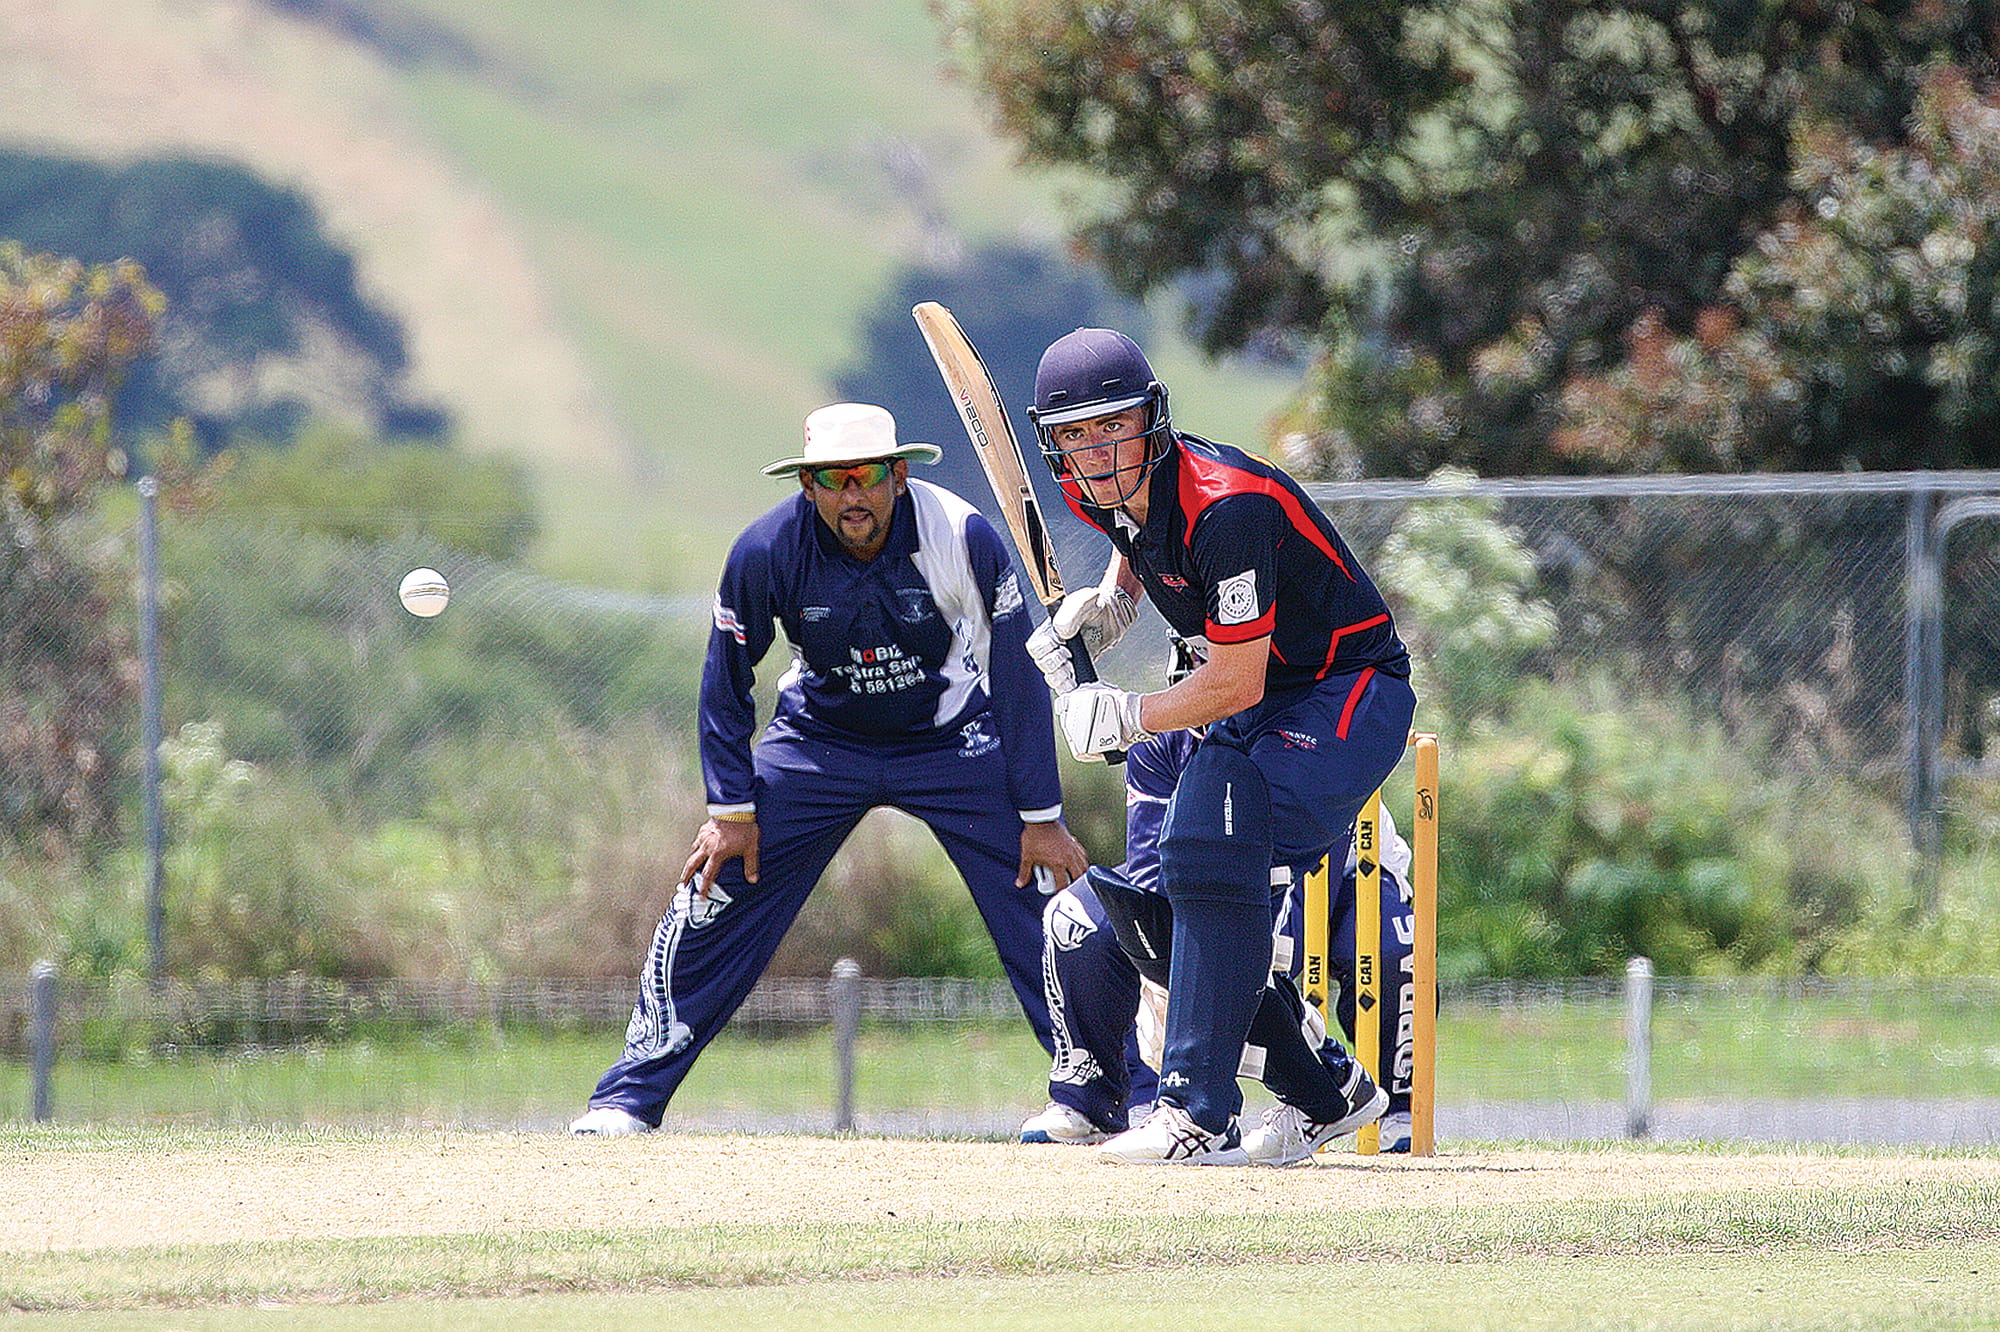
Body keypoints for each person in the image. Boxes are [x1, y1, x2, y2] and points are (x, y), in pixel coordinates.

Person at [570, 402, 1089, 1136]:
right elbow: (726, 679)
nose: (852, 495)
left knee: (1045, 891)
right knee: (714, 886)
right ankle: (628, 1097)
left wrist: (1041, 815)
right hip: (819, 744)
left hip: (949, 738)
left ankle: (1105, 1093)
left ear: (898, 475)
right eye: (831, 480)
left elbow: (1016, 672)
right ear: (807, 486)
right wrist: (731, 811)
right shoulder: (766, 550)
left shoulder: (960, 534)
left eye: (867, 476)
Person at [1023, 327, 1418, 1165]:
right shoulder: (1097, 492)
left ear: (1152, 420)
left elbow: (1233, 680)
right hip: (1273, 693)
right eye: (1076, 433)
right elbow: (1138, 538)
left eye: (1113, 424)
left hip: (1349, 687)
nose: (1098, 449)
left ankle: (1195, 1114)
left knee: (1214, 847)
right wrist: (1112, 599)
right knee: (1173, 887)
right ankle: (1328, 1094)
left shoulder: (1227, 505)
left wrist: (1127, 713)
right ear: (1054, 443)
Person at [1022, 641, 1417, 1159]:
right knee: (1077, 920)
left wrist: (1206, 987)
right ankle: (1093, 1098)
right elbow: (1152, 882)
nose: (1204, 679)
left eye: (1218, 665)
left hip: (1341, 880)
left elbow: (1284, 891)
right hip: (1217, 889)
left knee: (1372, 945)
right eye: (1195, 665)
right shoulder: (1162, 740)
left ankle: (1390, 1100)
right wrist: (1171, 982)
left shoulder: (1303, 738)